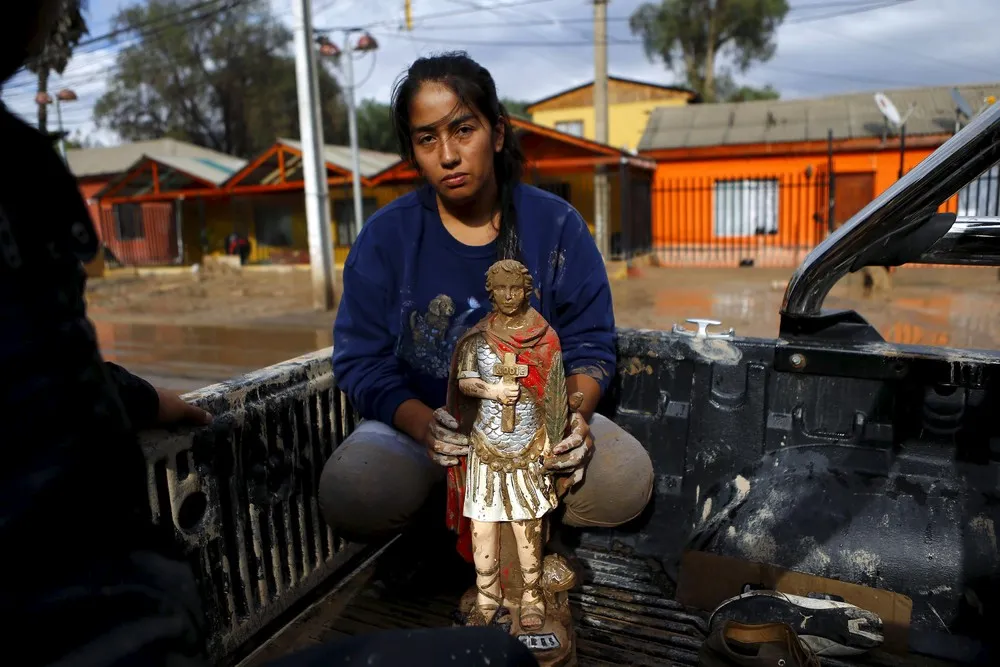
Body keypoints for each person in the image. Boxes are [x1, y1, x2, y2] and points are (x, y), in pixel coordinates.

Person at [321, 52, 654, 548]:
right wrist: (423, 426)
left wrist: (574, 418)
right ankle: (446, 542)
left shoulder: (557, 226)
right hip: (430, 432)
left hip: (537, 430)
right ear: (413, 152)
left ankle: (531, 546)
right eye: (427, 138)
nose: (448, 155)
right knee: (355, 487)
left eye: (463, 130)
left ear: (497, 134)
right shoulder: (385, 238)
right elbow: (361, 361)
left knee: (624, 477)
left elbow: (590, 344)